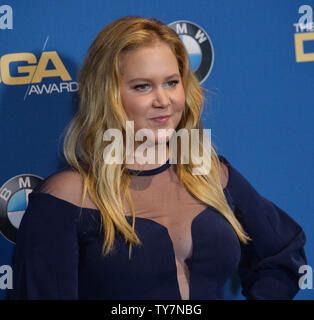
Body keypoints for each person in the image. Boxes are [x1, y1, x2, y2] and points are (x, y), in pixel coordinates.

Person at [10, 16, 306, 300]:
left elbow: (283, 254)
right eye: (143, 86)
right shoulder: (68, 196)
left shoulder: (209, 174)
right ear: (107, 94)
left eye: (171, 82)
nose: (164, 100)